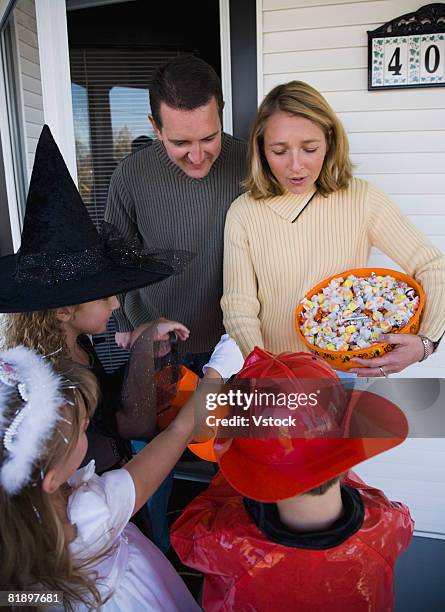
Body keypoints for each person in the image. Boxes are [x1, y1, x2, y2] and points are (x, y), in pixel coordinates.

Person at [0, 125, 191, 476]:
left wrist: (143, 342)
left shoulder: (77, 346)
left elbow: (106, 402)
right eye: (105, 297)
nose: (116, 306)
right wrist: (142, 345)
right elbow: (132, 425)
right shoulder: (51, 382)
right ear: (63, 310)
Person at [221, 81, 445, 376]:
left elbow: (432, 265)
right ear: (261, 150)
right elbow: (239, 306)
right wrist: (265, 368)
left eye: (310, 148)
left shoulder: (363, 198)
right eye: (279, 151)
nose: (296, 165)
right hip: (277, 370)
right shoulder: (243, 212)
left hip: (348, 372)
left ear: (329, 141)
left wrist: (426, 341)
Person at [0, 341, 242, 610]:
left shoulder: (13, 555)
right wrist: (216, 373)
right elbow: (178, 432)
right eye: (78, 430)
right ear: (51, 478)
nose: (86, 423)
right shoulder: (95, 512)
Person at [170, 349, 414, 612]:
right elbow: (386, 510)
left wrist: (239, 473)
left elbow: (185, 535)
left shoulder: (225, 542)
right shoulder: (389, 522)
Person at [105, 55, 247, 374]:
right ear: (155, 127)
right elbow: (115, 259)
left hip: (236, 342)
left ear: (220, 116)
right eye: (181, 142)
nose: (197, 156)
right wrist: (128, 324)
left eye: (209, 138)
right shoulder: (130, 176)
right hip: (159, 342)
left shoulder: (250, 163)